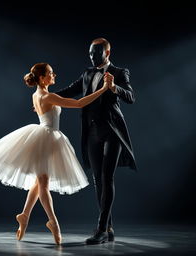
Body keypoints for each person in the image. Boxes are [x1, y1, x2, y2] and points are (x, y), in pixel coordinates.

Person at [0, 62, 114, 245]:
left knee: (39, 182)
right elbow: (78, 104)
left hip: (43, 137)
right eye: (51, 73)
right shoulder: (49, 96)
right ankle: (53, 222)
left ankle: (24, 215)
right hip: (46, 139)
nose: (54, 75)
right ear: (42, 78)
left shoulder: (36, 95)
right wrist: (103, 89)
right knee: (43, 183)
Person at [54, 38, 137, 244]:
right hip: (92, 132)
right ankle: (108, 227)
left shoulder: (119, 72)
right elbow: (71, 91)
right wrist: (45, 97)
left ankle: (100, 229)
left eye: (96, 53)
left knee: (107, 177)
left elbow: (131, 97)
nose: (92, 57)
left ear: (107, 53)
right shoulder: (87, 73)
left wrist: (114, 87)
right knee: (98, 180)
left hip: (112, 131)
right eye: (90, 53)